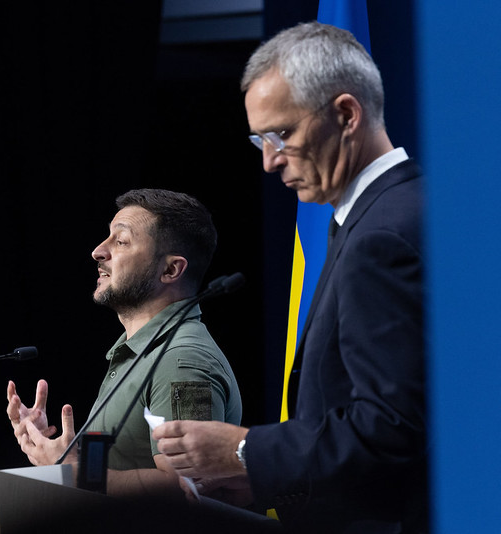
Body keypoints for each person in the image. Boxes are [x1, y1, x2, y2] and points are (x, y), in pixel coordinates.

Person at [153, 22, 427, 533]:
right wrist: (264, 479)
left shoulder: (382, 237)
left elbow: (392, 429)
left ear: (346, 114)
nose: (268, 161)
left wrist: (241, 448)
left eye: (282, 134)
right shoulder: (399, 209)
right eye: (259, 138)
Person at [6, 188, 242, 497]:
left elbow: (190, 488)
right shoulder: (136, 352)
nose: (98, 252)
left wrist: (71, 475)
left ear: (171, 269)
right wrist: (61, 458)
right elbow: (108, 474)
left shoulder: (180, 359)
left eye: (121, 241)